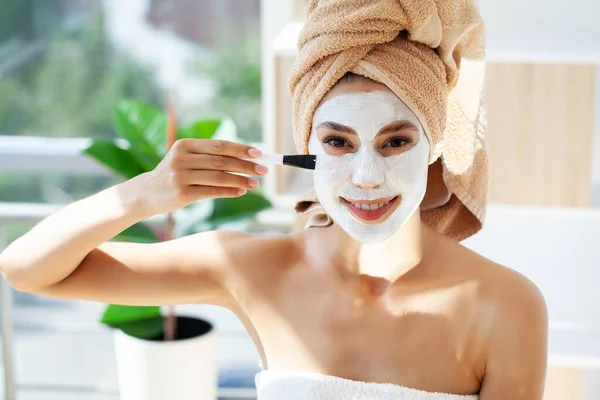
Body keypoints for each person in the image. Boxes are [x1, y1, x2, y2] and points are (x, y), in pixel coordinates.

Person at [0, 0, 548, 399]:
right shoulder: (250, 268)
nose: (366, 175)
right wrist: (143, 194)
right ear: (308, 149)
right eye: (337, 141)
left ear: (433, 148)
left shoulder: (505, 305)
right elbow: (26, 270)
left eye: (397, 141)